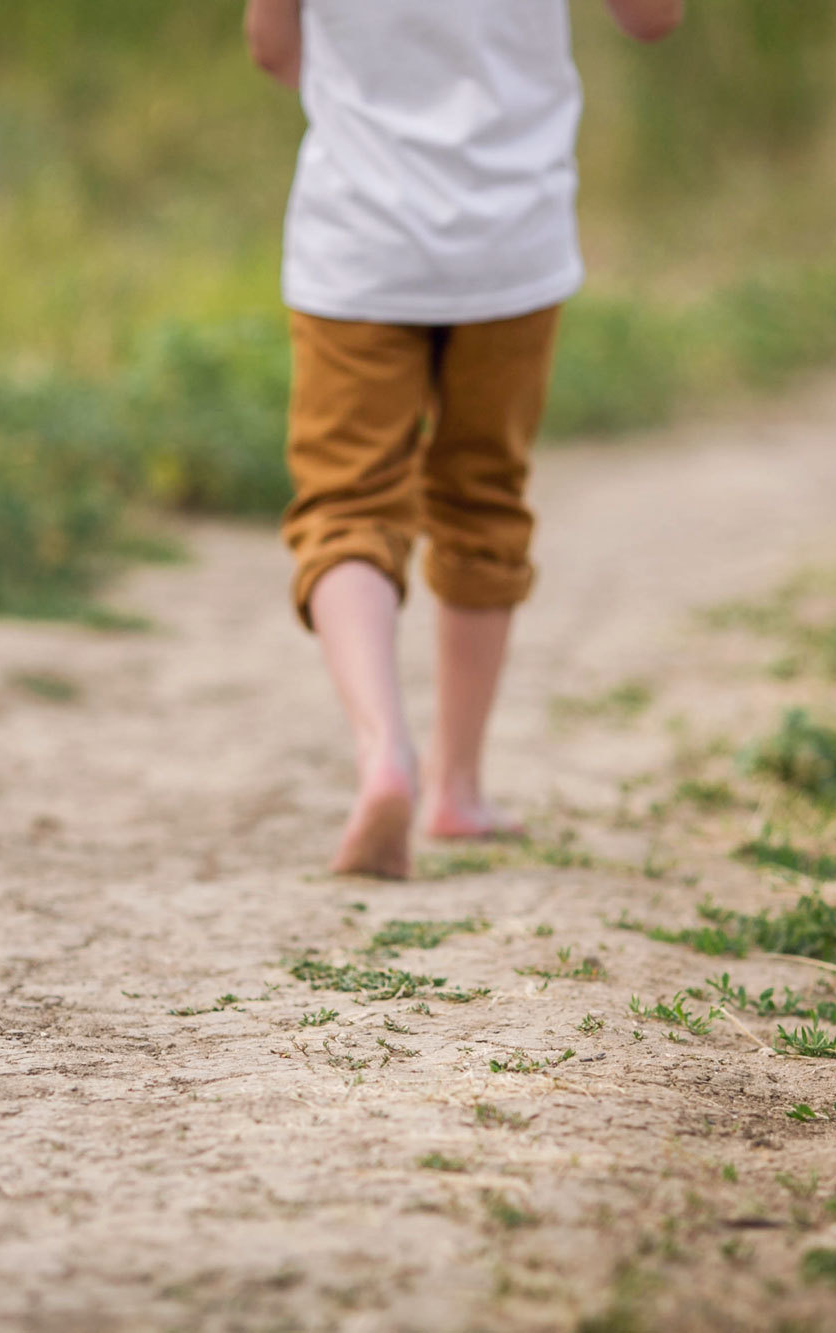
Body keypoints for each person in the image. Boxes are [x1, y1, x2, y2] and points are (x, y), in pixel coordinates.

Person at [245, 0, 683, 878]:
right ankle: (457, 785)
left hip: (357, 236)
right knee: (484, 495)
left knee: (347, 503)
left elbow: (271, 47)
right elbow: (651, 18)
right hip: (510, 239)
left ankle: (382, 753)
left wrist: (370, 98)